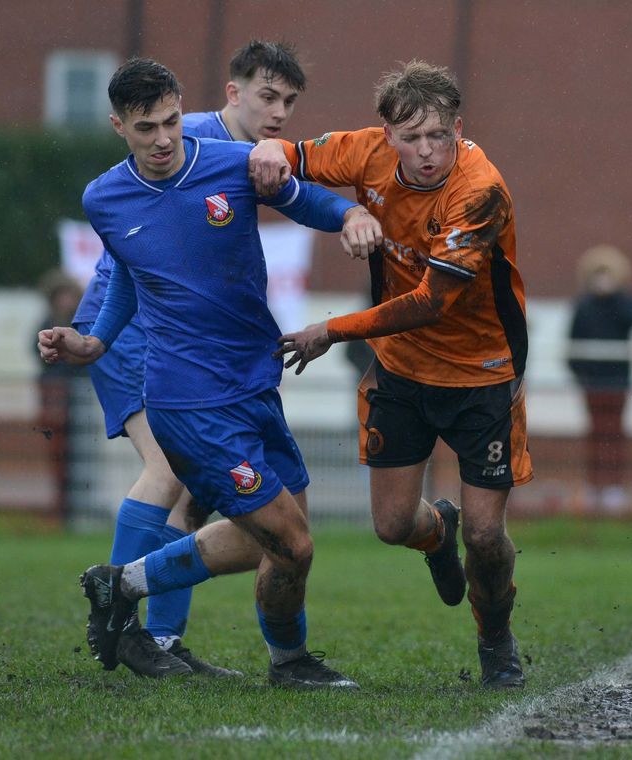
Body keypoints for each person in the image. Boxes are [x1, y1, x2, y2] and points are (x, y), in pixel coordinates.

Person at [40, 57, 379, 688]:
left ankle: (124, 588)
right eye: (146, 129)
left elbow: (305, 200)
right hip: (189, 398)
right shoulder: (104, 196)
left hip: (254, 379)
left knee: (279, 541)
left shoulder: (230, 163)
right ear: (119, 126)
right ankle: (287, 660)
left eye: (171, 121)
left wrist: (350, 217)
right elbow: (129, 278)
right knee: (292, 542)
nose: (163, 138)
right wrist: (93, 342)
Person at [249, 60, 532, 689]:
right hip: (402, 370)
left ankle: (496, 642)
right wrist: (268, 149)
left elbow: (432, 302)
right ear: (388, 134)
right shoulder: (365, 153)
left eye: (441, 135)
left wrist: (332, 329)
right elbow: (290, 152)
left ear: (459, 126)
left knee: (487, 536)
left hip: (482, 372)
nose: (428, 152)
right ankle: (437, 535)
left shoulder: (480, 189)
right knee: (392, 526)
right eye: (412, 137)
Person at [567, 244, 632, 513]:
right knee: (596, 434)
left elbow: (631, 322)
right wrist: (582, 376)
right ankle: (595, 485)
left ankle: (615, 487)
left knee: (615, 432)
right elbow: (573, 344)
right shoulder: (583, 307)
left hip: (617, 383)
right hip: (592, 384)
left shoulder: (623, 304)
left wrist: (615, 295)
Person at [37, 269, 87, 517]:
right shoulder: (46, 322)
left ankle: (70, 506)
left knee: (78, 453)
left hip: (76, 398)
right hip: (54, 395)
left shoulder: (82, 323)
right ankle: (60, 504)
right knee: (56, 450)